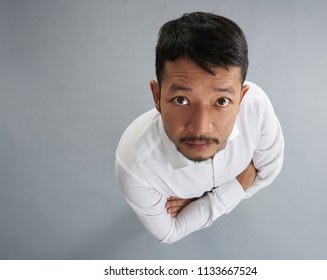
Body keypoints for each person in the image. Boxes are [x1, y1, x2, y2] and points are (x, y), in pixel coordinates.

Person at [115, 12, 284, 244]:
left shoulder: (257, 106)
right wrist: (240, 182)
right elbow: (168, 233)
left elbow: (268, 173)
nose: (201, 126)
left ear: (241, 99)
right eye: (182, 99)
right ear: (157, 95)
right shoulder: (135, 168)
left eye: (222, 101)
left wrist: (199, 201)